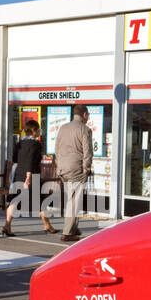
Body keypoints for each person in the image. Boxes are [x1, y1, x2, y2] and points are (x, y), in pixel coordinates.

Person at [3, 120, 55, 236]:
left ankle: (7, 226)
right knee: (41, 202)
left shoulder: (19, 143)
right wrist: (29, 176)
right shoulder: (35, 144)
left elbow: (15, 159)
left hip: (18, 174)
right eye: (38, 130)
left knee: (14, 201)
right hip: (31, 176)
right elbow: (31, 160)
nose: (39, 132)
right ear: (33, 130)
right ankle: (47, 225)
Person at [54, 103, 93, 242]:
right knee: (74, 201)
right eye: (88, 115)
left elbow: (57, 149)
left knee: (71, 198)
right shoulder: (85, 129)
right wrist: (87, 169)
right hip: (76, 169)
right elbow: (87, 152)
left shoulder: (63, 128)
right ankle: (67, 232)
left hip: (63, 169)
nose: (88, 118)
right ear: (84, 115)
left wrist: (59, 166)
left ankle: (74, 227)